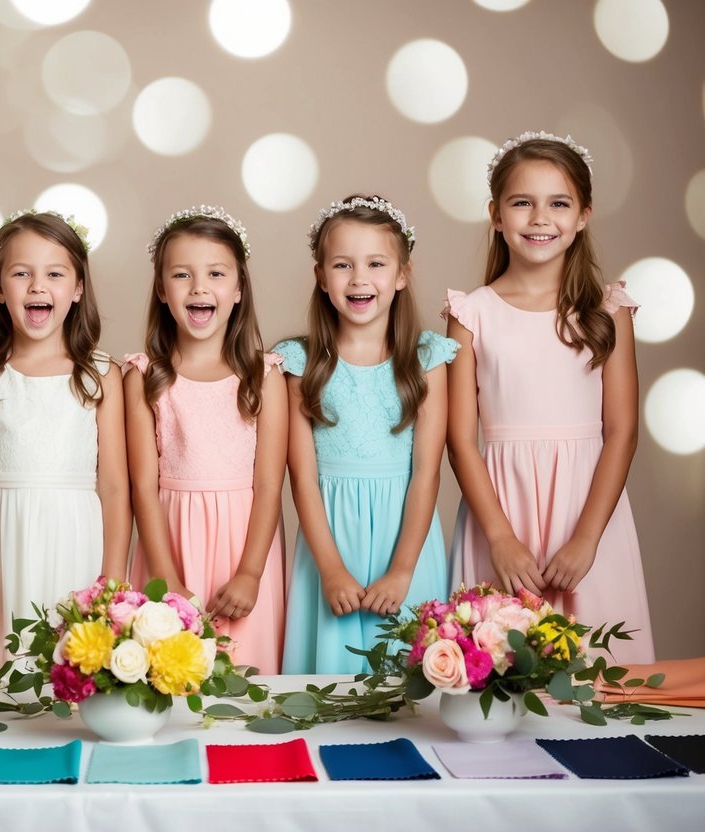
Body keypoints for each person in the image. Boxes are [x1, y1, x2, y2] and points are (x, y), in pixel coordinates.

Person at [445, 132, 654, 663]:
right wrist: (499, 539)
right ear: (496, 214)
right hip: (501, 509)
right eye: (523, 203)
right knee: (501, 668)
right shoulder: (471, 314)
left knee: (598, 677)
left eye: (558, 203)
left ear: (583, 214)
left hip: (587, 510)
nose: (540, 218)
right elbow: (459, 438)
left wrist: (586, 538)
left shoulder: (609, 310)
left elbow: (622, 431)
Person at [275, 195, 456, 674]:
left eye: (376, 263)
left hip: (406, 540)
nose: (359, 278)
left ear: (401, 275)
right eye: (342, 264)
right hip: (330, 538)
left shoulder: (427, 358)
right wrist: (331, 570)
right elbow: (303, 479)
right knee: (333, 689)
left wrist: (401, 572)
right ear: (321, 276)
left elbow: (426, 475)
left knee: (409, 687)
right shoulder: (298, 361)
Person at [0, 210, 130, 673]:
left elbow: (114, 487)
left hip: (76, 538)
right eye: (21, 273)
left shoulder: (101, 375)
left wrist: (111, 580)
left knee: (73, 670)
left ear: (76, 290)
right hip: (1, 541)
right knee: (2, 676)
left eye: (54, 274)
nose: (37, 286)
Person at [124, 206, 287, 673]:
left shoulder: (264, 374)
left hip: (244, 545)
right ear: (161, 289)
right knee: (169, 676)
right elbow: (142, 489)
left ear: (237, 290)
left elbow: (270, 485)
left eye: (215, 274)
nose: (199, 287)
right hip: (169, 541)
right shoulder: (143, 376)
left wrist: (251, 572)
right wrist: (167, 578)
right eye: (182, 274)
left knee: (243, 681)